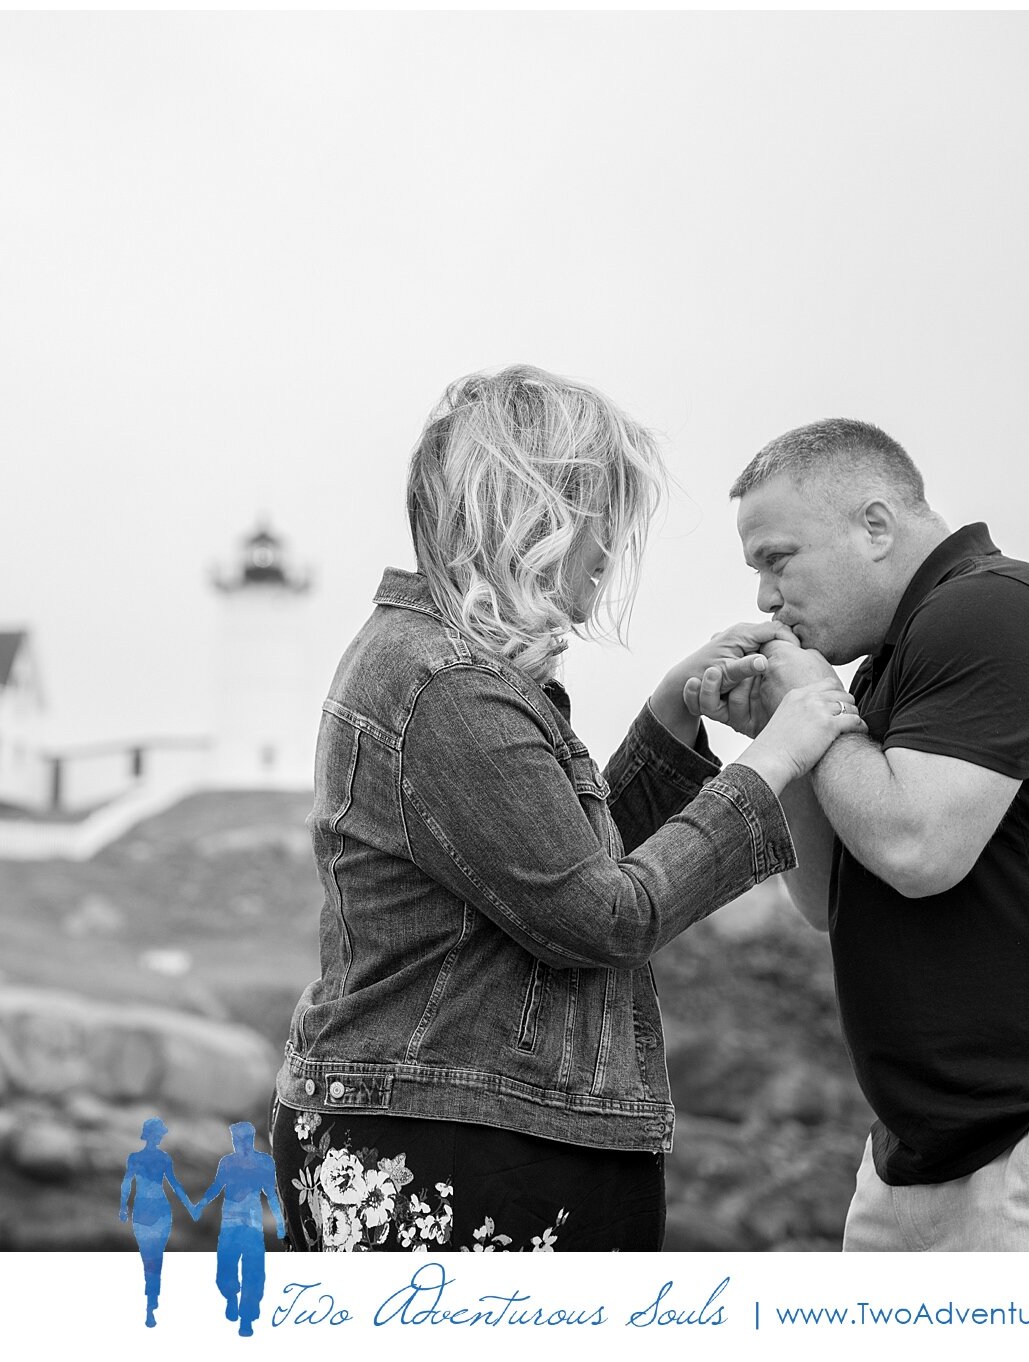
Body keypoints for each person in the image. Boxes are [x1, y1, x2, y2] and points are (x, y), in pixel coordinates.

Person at [271, 365, 866, 1252]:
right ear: (538, 512)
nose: (612, 551)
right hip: (450, 1147)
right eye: (604, 520)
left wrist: (672, 716)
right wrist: (775, 758)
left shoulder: (447, 669)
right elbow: (603, 917)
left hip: (461, 1128)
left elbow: (558, 874)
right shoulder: (445, 687)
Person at [688, 416, 1029, 1251]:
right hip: (929, 1157)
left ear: (875, 525)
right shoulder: (897, 662)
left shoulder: (994, 608)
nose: (763, 598)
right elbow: (830, 900)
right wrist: (782, 738)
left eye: (777, 559)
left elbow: (915, 849)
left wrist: (821, 708)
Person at [193, 1122, 286, 1336]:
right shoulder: (227, 1163)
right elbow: (217, 1187)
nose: (238, 1144)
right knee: (225, 1272)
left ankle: (247, 1317)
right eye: (236, 1140)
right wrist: (201, 1206)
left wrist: (281, 1223)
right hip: (230, 1223)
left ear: (250, 1140)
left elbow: (272, 1195)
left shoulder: (263, 1163)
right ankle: (231, 1298)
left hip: (252, 1225)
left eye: (242, 1140)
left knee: (253, 1272)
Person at [117, 1117, 198, 1326]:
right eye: (159, 1134)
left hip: (152, 1209)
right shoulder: (147, 1158)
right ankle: (150, 1304)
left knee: (152, 1258)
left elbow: (174, 1184)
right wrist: (123, 1207)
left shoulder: (149, 1158)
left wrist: (190, 1206)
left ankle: (151, 1305)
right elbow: (174, 1185)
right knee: (151, 1258)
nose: (161, 1137)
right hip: (151, 1209)